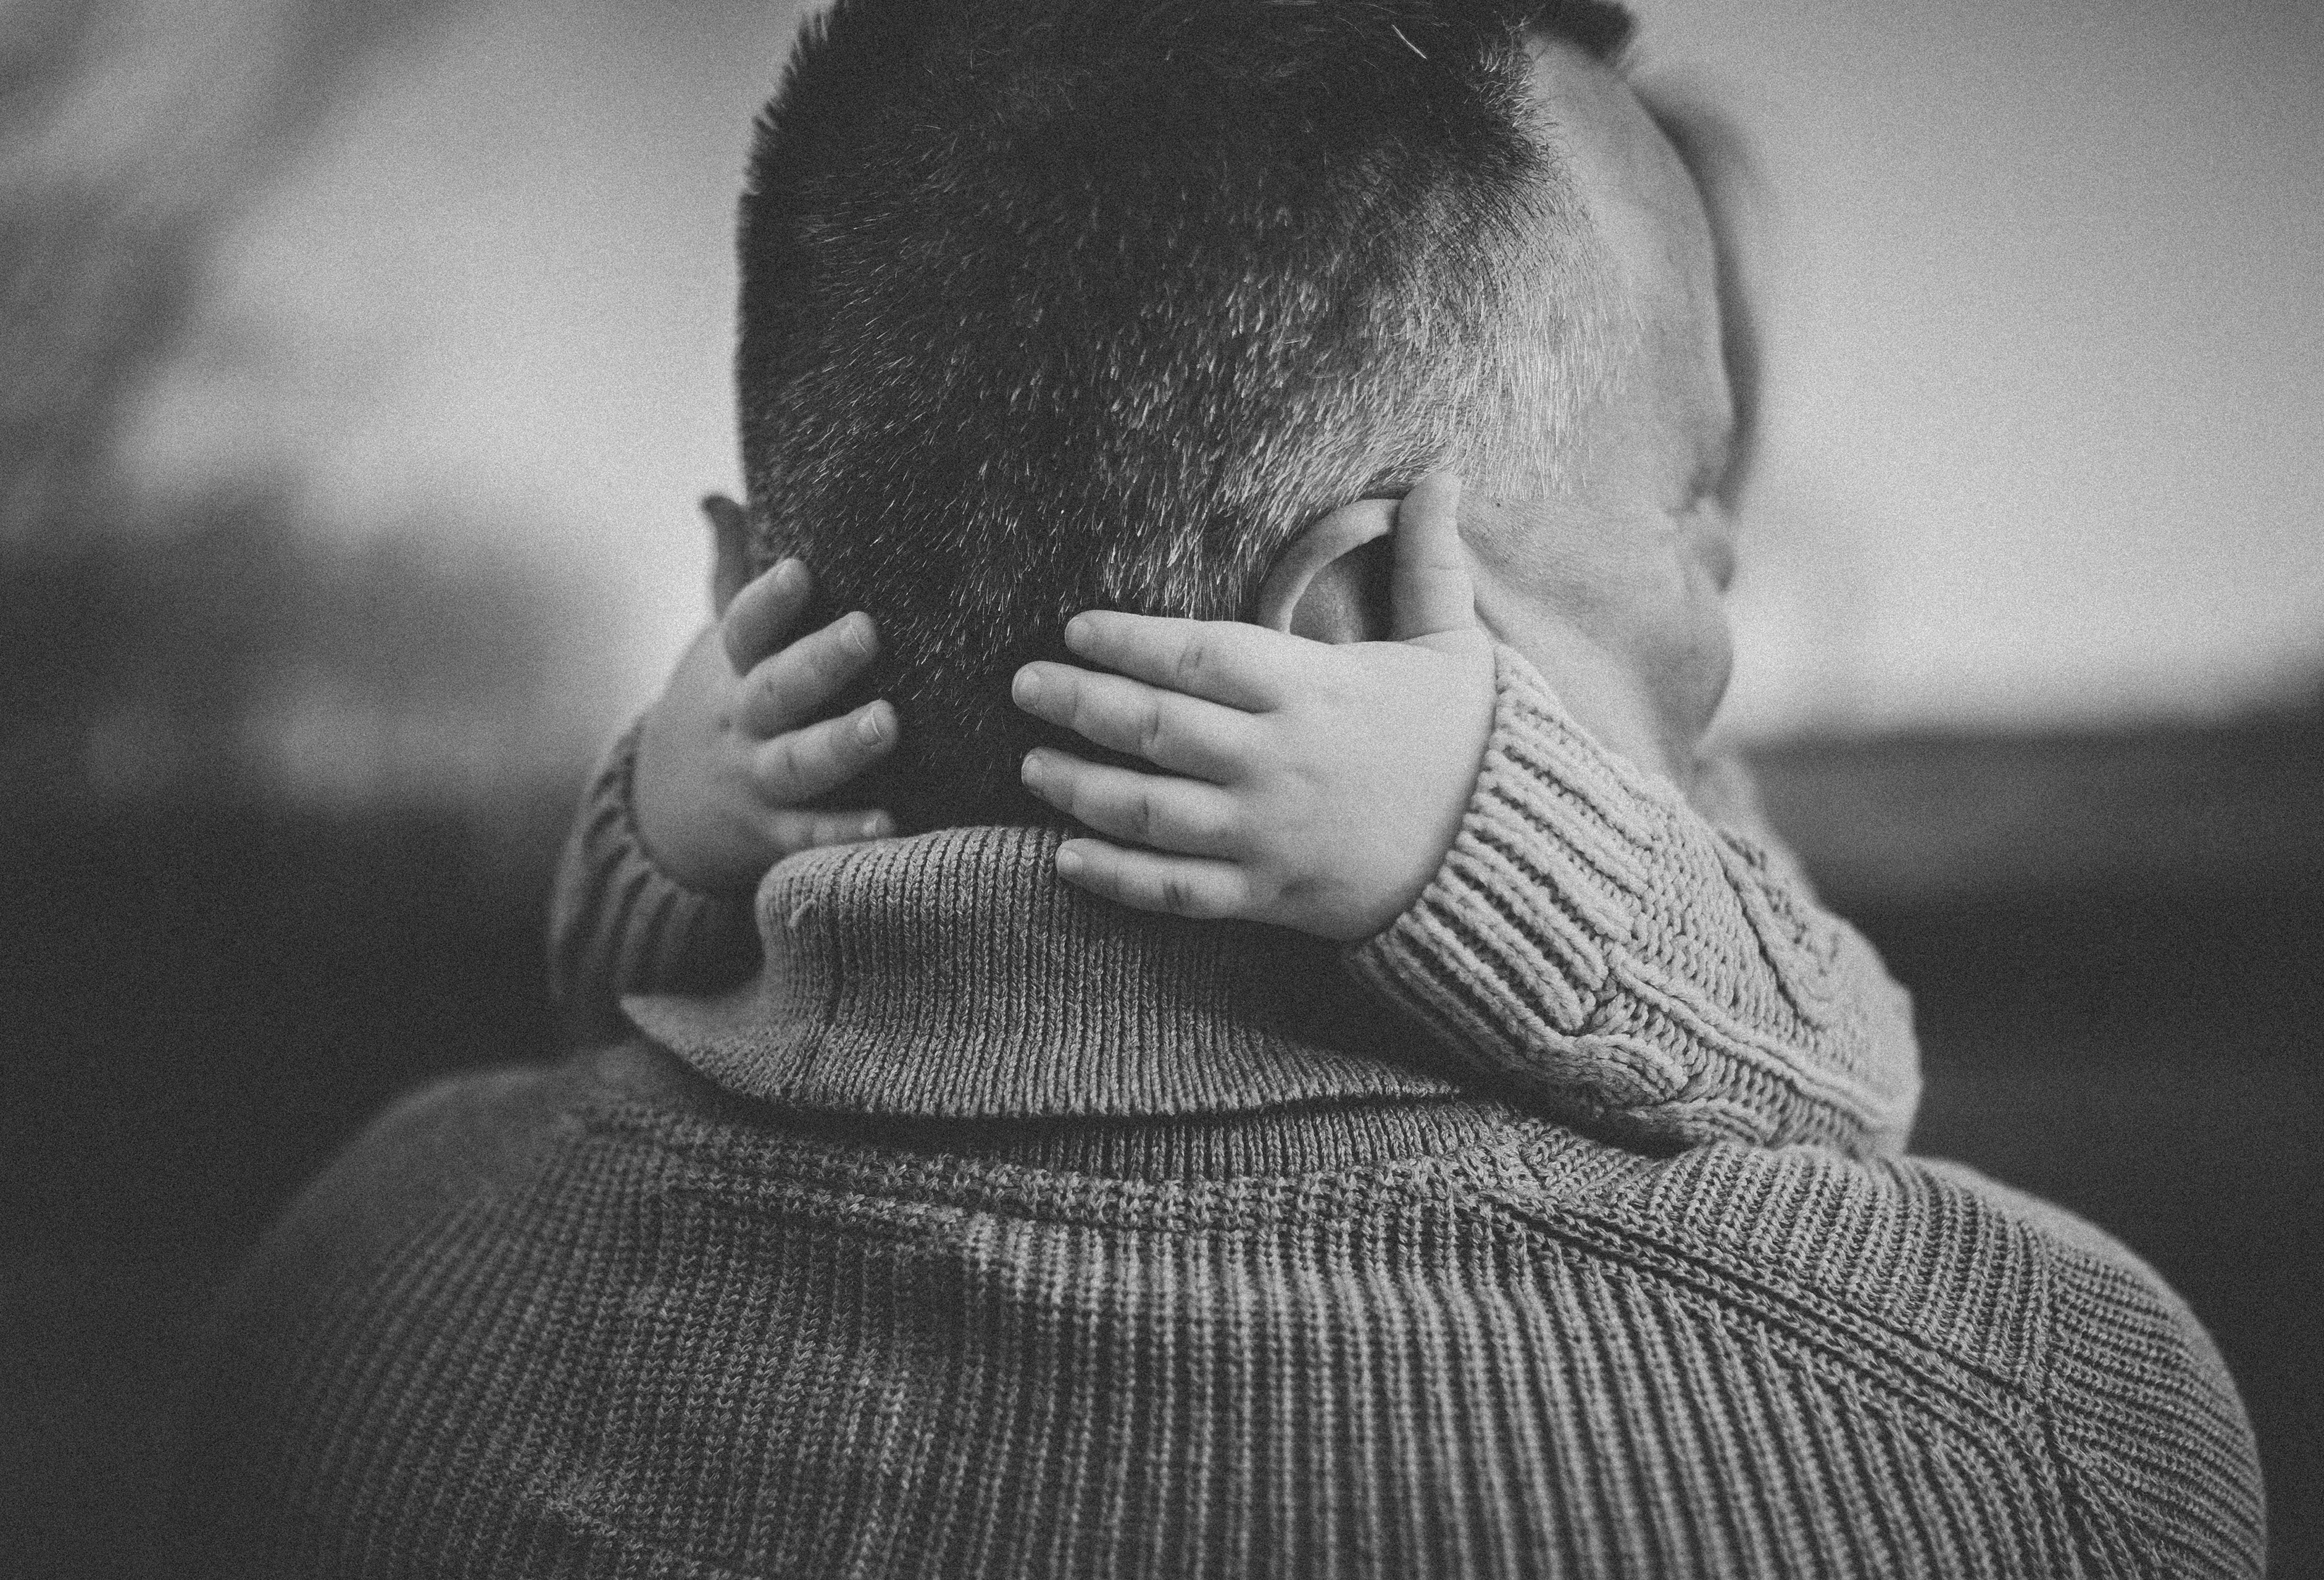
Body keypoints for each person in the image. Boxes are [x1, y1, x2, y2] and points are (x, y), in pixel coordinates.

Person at [172, 1, 2265, 1574]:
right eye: (1690, 506)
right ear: (1349, 620)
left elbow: (613, 1012)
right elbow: (1846, 1072)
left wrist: (659, 833)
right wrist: (1495, 843)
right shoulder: (2025, 1440)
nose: (1724, 613)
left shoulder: (342, 1305)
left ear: (746, 595)